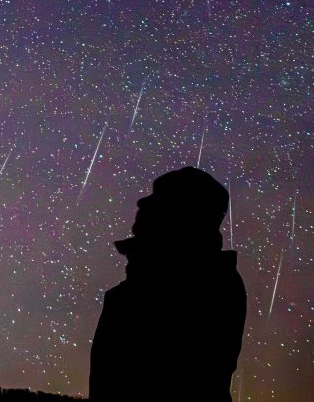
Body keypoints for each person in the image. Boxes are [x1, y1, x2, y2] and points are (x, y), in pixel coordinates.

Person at [90, 167, 246, 401]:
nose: (142, 202)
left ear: (185, 213)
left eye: (161, 197)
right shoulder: (146, 284)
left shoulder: (204, 286)